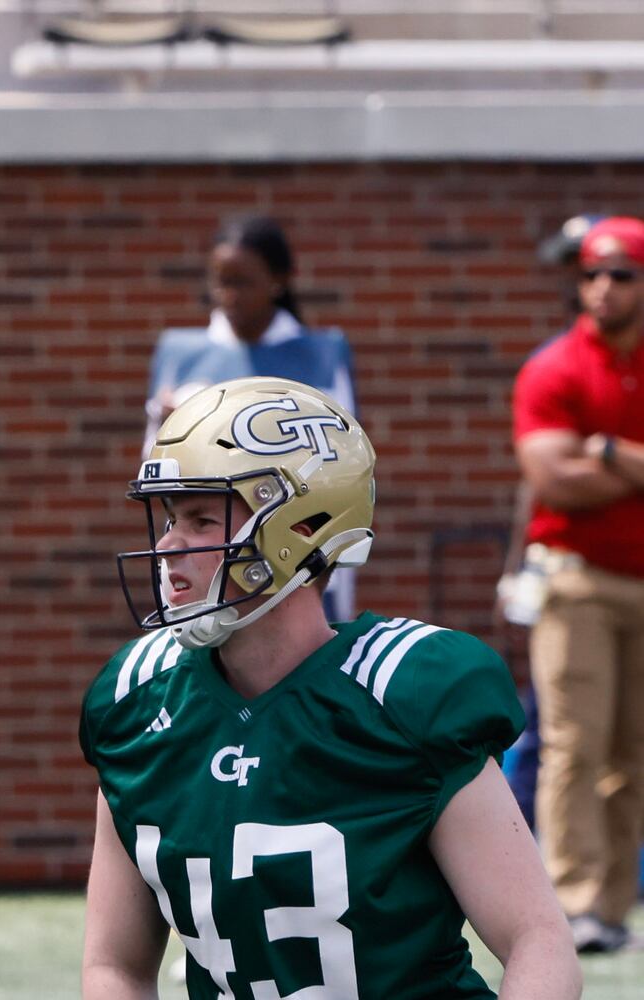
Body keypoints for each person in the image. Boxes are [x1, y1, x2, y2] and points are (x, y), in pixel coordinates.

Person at [80, 377, 579, 998]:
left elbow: (539, 941)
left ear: (298, 526)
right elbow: (115, 967)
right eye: (172, 518)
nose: (167, 546)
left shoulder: (400, 695)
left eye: (202, 519)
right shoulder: (137, 703)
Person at [512, 215, 644, 955]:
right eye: (591, 274)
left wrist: (602, 451)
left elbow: (579, 466)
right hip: (576, 582)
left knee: (633, 755)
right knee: (572, 746)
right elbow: (550, 476)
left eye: (621, 275)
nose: (601, 288)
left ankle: (614, 908)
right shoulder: (554, 367)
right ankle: (572, 905)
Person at [143, 216, 358, 621]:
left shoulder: (322, 354)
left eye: (242, 282)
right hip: (206, 549)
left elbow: (342, 466)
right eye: (220, 281)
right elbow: (152, 474)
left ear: (279, 280)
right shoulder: (179, 353)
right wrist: (168, 429)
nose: (229, 295)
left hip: (293, 545)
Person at [496, 213, 605, 830]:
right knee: (551, 724)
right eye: (575, 271)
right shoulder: (556, 362)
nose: (581, 284)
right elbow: (541, 480)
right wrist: (516, 566)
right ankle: (523, 854)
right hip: (567, 566)